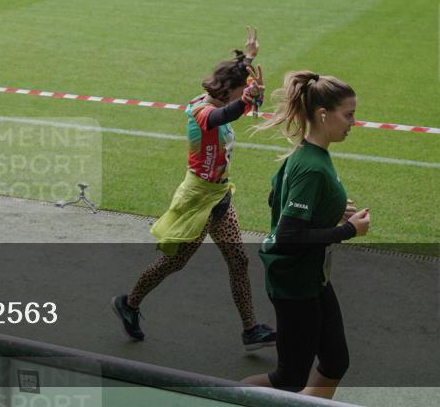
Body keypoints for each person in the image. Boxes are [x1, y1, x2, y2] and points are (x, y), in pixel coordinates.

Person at [113, 27, 276, 351]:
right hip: (198, 200)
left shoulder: (222, 97)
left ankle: (250, 330)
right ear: (229, 91)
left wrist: (249, 57)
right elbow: (226, 114)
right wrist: (246, 98)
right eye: (239, 90)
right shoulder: (202, 112)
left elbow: (233, 100)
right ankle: (129, 303)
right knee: (174, 262)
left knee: (238, 262)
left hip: (220, 197)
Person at [242, 71, 370, 398]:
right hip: (295, 284)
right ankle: (229, 397)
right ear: (323, 114)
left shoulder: (308, 155)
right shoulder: (312, 165)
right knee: (289, 379)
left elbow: (275, 197)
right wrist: (346, 230)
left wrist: (327, 210)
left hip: (312, 278)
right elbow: (287, 236)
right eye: (349, 114)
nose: (353, 122)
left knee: (335, 361)